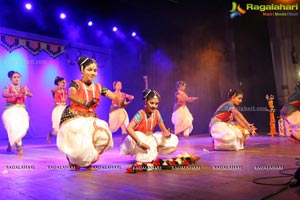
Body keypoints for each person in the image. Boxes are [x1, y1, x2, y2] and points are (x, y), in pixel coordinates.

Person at [56, 56, 123, 170]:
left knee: (102, 137)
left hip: (90, 117)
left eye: (95, 70)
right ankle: (73, 159)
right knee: (79, 142)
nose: (93, 73)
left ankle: (88, 161)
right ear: (82, 70)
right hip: (75, 116)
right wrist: (86, 103)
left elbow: (113, 96)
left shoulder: (98, 86)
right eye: (89, 69)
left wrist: (121, 101)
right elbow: (71, 95)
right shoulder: (75, 84)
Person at [120, 89, 179, 163]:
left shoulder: (157, 113)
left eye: (156, 104)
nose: (154, 106)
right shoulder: (140, 114)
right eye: (151, 103)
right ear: (145, 102)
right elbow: (129, 128)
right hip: (139, 139)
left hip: (150, 138)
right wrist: (140, 143)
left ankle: (155, 149)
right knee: (144, 159)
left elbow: (164, 129)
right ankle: (146, 151)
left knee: (172, 142)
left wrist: (167, 134)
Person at [2, 70, 32, 156]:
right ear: (11, 79)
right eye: (14, 77)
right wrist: (15, 94)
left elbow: (31, 95)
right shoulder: (8, 87)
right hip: (9, 110)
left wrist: (25, 92)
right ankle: (20, 149)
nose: (16, 79)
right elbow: (4, 94)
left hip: (21, 110)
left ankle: (11, 143)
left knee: (20, 128)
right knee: (13, 128)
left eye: (18, 77)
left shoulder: (23, 87)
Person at [47, 76, 68, 142]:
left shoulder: (65, 91)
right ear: (58, 83)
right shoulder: (55, 90)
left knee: (65, 126)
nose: (64, 83)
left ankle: (65, 142)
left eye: (65, 82)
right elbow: (52, 90)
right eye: (62, 82)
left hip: (64, 109)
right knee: (57, 129)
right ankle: (50, 134)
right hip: (58, 109)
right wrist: (60, 87)